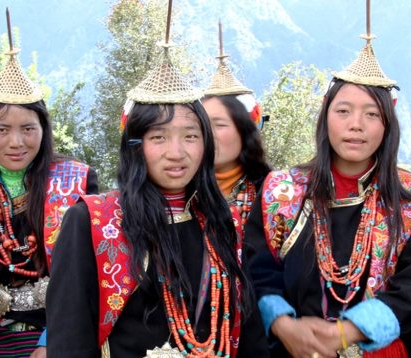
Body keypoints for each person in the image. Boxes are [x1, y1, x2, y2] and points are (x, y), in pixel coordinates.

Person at [46, 11, 267, 356]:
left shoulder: (224, 220)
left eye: (190, 136)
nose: (176, 153)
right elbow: (70, 334)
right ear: (136, 145)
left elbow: (248, 330)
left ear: (206, 144)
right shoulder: (92, 222)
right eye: (158, 137)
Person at [246, 5, 411, 356]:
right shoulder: (282, 192)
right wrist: (284, 325)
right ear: (325, 119)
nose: (355, 124)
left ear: (387, 126)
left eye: (371, 114)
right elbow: (259, 270)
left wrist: (346, 332)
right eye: (343, 111)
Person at [0, 14, 98, 357]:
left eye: (28, 128)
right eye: (1, 129)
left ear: (44, 130)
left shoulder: (78, 180)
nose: (16, 142)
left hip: (57, 333)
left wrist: (51, 343)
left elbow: (88, 271)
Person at [201, 27, 272, 242]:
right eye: (202, 126)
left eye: (219, 125)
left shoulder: (274, 193)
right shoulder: (182, 195)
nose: (208, 135)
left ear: (245, 131)